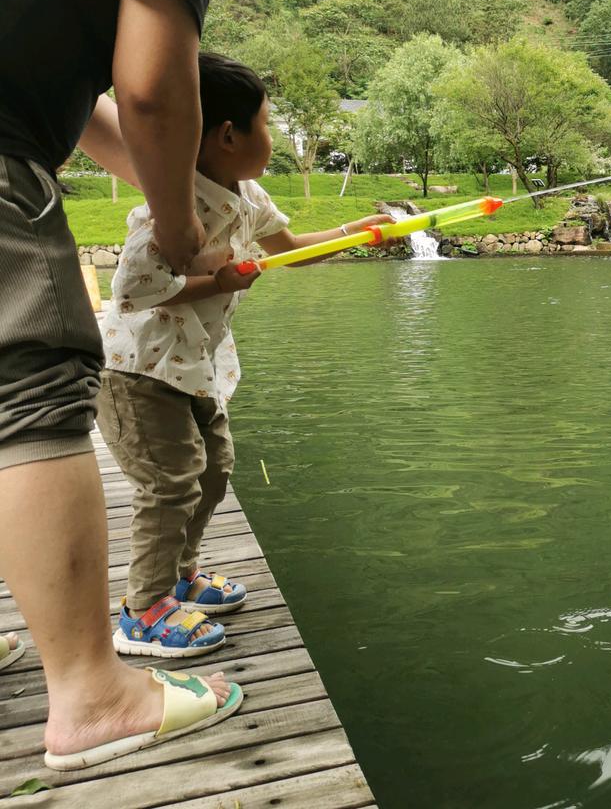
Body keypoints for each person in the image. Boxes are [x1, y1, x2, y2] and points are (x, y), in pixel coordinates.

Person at [0, 0, 295, 771]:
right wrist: (180, 233)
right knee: (33, 390)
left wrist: (192, 193)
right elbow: (155, 86)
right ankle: (90, 692)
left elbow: (87, 116)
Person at [97, 53, 393, 659]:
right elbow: (132, 291)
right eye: (267, 122)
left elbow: (288, 249)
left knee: (213, 471)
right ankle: (142, 611)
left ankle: (181, 576)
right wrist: (220, 283)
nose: (275, 135)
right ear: (229, 135)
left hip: (194, 367)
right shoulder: (168, 205)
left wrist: (353, 234)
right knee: (169, 484)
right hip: (138, 374)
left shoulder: (246, 194)